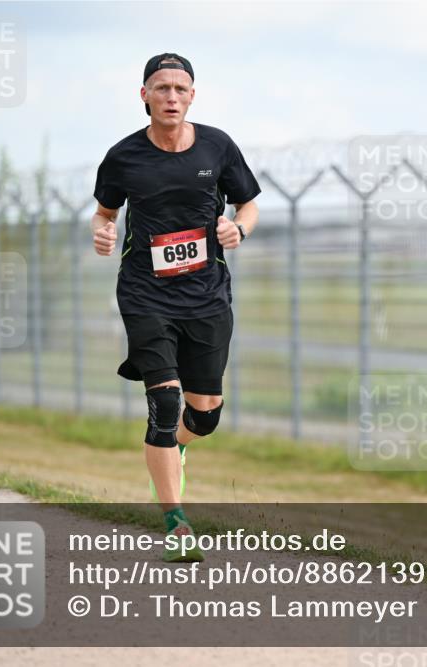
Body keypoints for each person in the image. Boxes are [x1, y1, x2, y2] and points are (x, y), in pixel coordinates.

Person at [91, 53, 261, 562]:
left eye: (180, 89)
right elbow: (104, 213)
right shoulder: (123, 156)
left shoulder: (217, 146)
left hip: (206, 295)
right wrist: (102, 233)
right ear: (144, 95)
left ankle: (177, 445)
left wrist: (239, 228)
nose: (171, 97)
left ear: (192, 96)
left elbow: (248, 205)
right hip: (145, 292)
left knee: (204, 415)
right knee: (164, 405)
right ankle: (175, 522)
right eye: (161, 88)